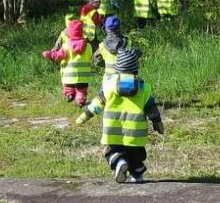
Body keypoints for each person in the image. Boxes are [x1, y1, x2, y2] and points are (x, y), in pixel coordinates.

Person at [76, 48, 163, 183]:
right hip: (136, 134)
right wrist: (157, 122)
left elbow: (97, 104)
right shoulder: (143, 88)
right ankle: (137, 175)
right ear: (136, 69)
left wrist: (85, 116)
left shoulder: (109, 86)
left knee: (111, 151)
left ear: (117, 69)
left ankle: (120, 161)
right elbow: (151, 108)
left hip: (113, 132)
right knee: (136, 156)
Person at [42, 16, 93, 107]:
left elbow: (58, 56)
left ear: (70, 33)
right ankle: (80, 101)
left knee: (69, 87)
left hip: (69, 75)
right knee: (81, 89)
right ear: (82, 32)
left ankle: (70, 95)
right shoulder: (88, 46)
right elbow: (90, 57)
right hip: (84, 76)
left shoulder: (66, 46)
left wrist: (49, 54)